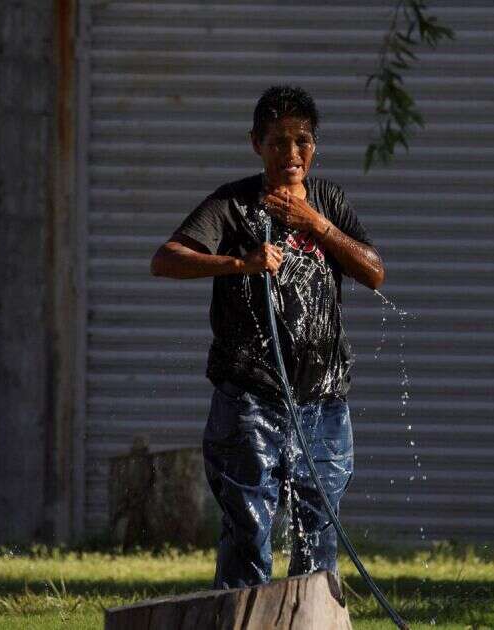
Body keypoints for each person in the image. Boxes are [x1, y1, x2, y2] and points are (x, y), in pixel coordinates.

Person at [150, 85, 385, 589]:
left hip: (323, 402)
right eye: (278, 142)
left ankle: (311, 619)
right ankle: (243, 616)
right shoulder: (232, 204)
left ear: (315, 147)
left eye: (302, 141)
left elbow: (374, 272)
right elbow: (165, 259)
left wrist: (315, 224)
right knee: (249, 533)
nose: (291, 154)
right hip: (250, 397)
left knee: (320, 532)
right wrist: (239, 263)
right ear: (257, 143)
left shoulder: (329, 202)